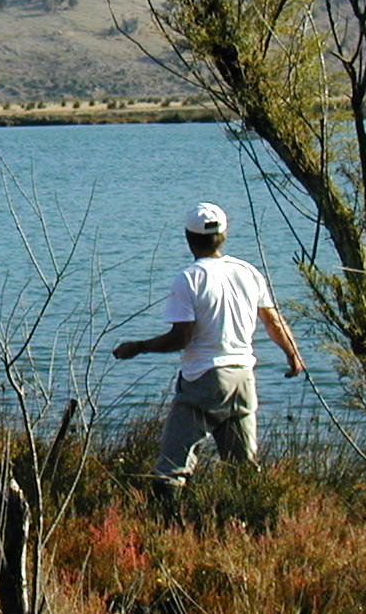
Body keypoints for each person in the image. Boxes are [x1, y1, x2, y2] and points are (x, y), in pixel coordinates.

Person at [112, 202, 304, 497]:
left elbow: (181, 338)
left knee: (171, 469)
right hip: (243, 378)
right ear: (224, 235)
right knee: (243, 468)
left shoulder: (189, 278)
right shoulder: (248, 272)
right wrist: (293, 355)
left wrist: (138, 347)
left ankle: (168, 530)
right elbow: (273, 320)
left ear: (189, 238)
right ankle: (252, 526)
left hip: (203, 380)